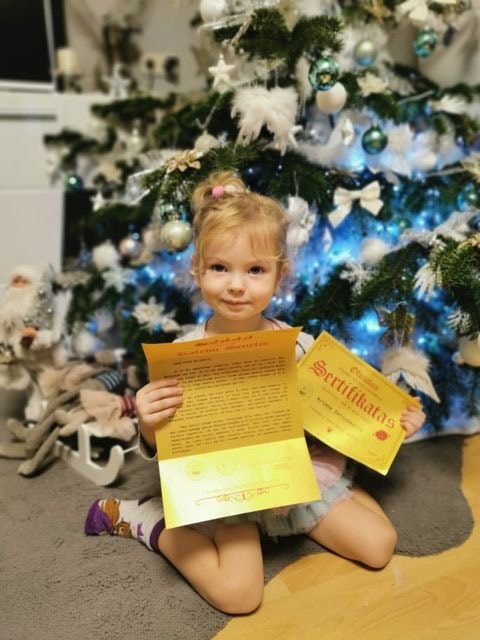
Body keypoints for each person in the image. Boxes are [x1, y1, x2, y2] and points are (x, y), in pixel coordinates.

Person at [85, 171, 426, 614]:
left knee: (380, 546)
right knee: (240, 596)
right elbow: (167, 444)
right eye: (220, 268)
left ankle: (314, 509)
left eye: (255, 270)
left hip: (292, 477)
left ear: (279, 277)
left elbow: (346, 410)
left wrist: (394, 422)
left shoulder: (300, 347)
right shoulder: (183, 355)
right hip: (228, 490)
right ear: (197, 269)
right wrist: (148, 424)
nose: (236, 285)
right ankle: (147, 519)